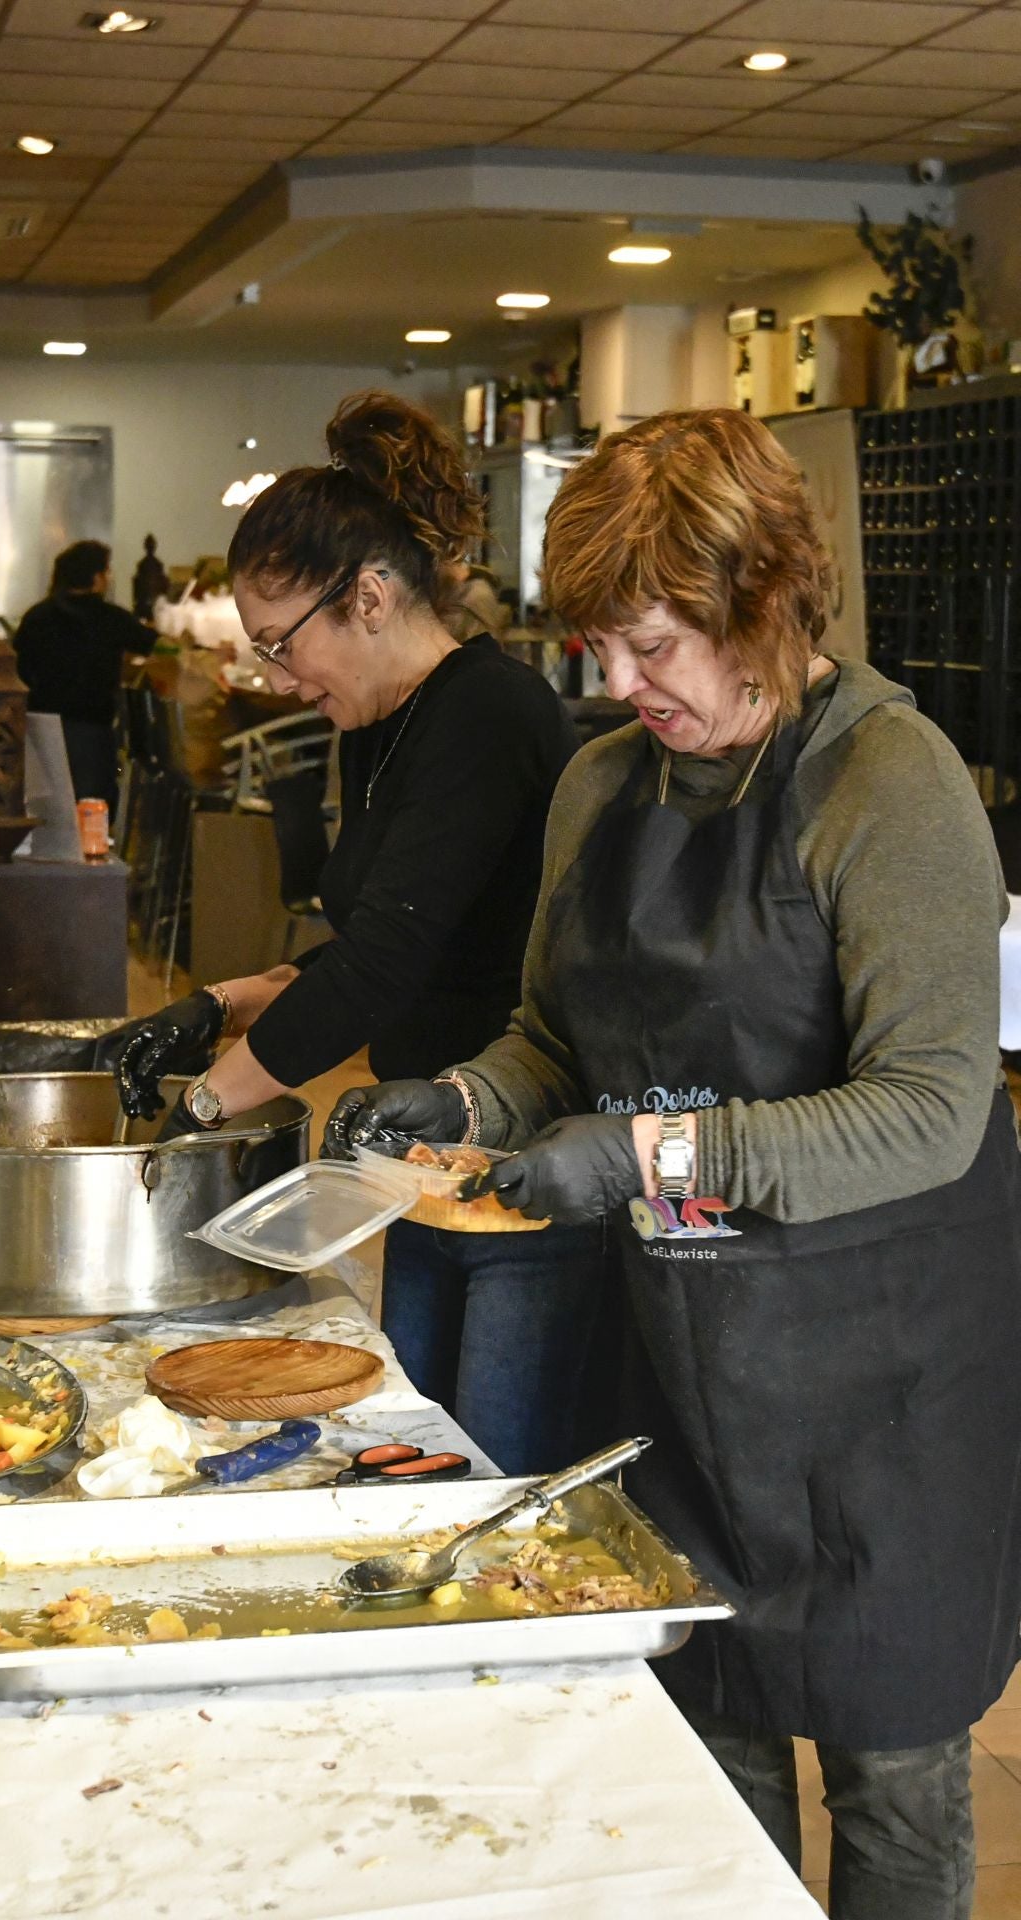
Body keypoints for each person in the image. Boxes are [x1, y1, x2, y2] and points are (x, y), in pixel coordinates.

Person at [326, 407, 1021, 1920]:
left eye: (651, 646)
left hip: (887, 1386)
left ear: (760, 601)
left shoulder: (891, 784)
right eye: (602, 647)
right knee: (709, 1748)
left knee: (891, 1772)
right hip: (691, 1366)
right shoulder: (602, 788)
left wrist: (645, 1156)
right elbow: (553, 1042)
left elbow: (927, 1109)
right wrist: (461, 1101)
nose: (622, 684)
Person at [107, 389, 612, 1475]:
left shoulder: (488, 713)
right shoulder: (379, 722)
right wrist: (219, 1005)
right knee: (411, 1449)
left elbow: (385, 966)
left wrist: (204, 1109)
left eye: (281, 645)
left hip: (520, 1166)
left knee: (490, 1483)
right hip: (420, 1151)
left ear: (370, 597)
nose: (277, 679)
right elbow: (385, 938)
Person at [13, 539, 147, 811]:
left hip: (40, 729)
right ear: (96, 578)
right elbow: (155, 644)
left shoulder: (36, 617)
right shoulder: (110, 618)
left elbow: (18, 670)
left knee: (46, 810)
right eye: (107, 571)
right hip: (92, 730)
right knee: (89, 810)